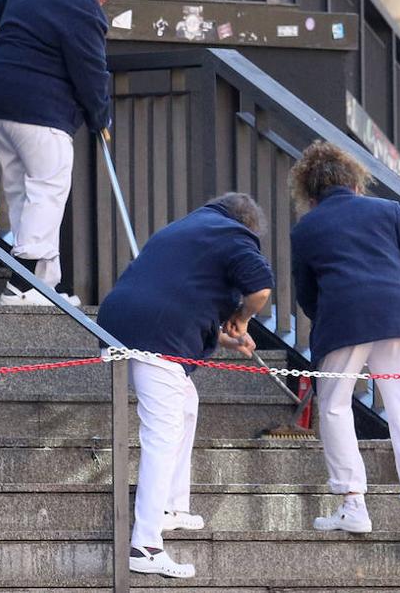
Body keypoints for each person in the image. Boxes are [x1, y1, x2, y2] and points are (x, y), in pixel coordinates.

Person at [97, 193, 274, 578]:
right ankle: (144, 545)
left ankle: (171, 506)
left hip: (119, 322)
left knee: (185, 404)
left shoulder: (184, 229)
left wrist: (224, 338)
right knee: (161, 433)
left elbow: (183, 294)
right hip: (158, 337)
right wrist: (243, 318)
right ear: (248, 225)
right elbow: (260, 289)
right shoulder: (235, 235)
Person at [288, 141, 400, 554]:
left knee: (335, 406)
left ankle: (352, 503)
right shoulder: (388, 211)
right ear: (356, 183)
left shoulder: (306, 229)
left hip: (342, 320)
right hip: (397, 316)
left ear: (309, 193)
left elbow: (307, 295)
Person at [0, 0, 135, 306]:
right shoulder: (84, 10)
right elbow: (92, 71)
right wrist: (101, 117)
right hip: (40, 106)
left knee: (23, 191)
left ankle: (42, 285)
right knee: (48, 189)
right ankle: (20, 285)